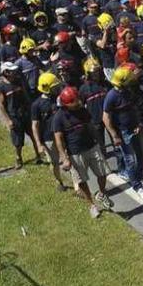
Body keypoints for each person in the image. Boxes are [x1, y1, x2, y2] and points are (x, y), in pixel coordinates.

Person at [53, 86, 113, 218]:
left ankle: (101, 193)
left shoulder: (83, 110)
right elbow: (59, 139)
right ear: (65, 104)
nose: (78, 103)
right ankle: (92, 205)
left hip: (92, 146)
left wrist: (99, 142)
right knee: (82, 180)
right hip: (75, 153)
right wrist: (64, 157)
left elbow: (90, 126)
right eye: (74, 101)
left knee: (103, 173)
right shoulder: (59, 117)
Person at [104, 66, 143, 200]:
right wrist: (114, 135)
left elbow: (133, 108)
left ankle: (140, 180)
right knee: (131, 160)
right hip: (123, 133)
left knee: (141, 157)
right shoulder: (111, 96)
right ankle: (137, 187)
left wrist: (138, 123)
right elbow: (105, 117)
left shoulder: (128, 92)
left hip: (134, 128)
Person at [0, 63, 39, 169]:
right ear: (6, 72)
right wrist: (8, 120)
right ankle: (18, 158)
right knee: (18, 142)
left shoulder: (19, 80)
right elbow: (1, 105)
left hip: (25, 113)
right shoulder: (2, 87)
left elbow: (26, 95)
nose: (14, 72)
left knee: (34, 135)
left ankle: (39, 155)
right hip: (15, 117)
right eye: (11, 71)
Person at [31, 72, 68, 191]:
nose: (58, 88)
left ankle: (78, 185)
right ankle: (59, 181)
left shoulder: (58, 98)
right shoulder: (36, 105)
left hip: (63, 134)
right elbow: (35, 125)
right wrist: (39, 144)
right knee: (55, 162)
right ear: (47, 88)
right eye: (55, 87)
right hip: (48, 138)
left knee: (69, 157)